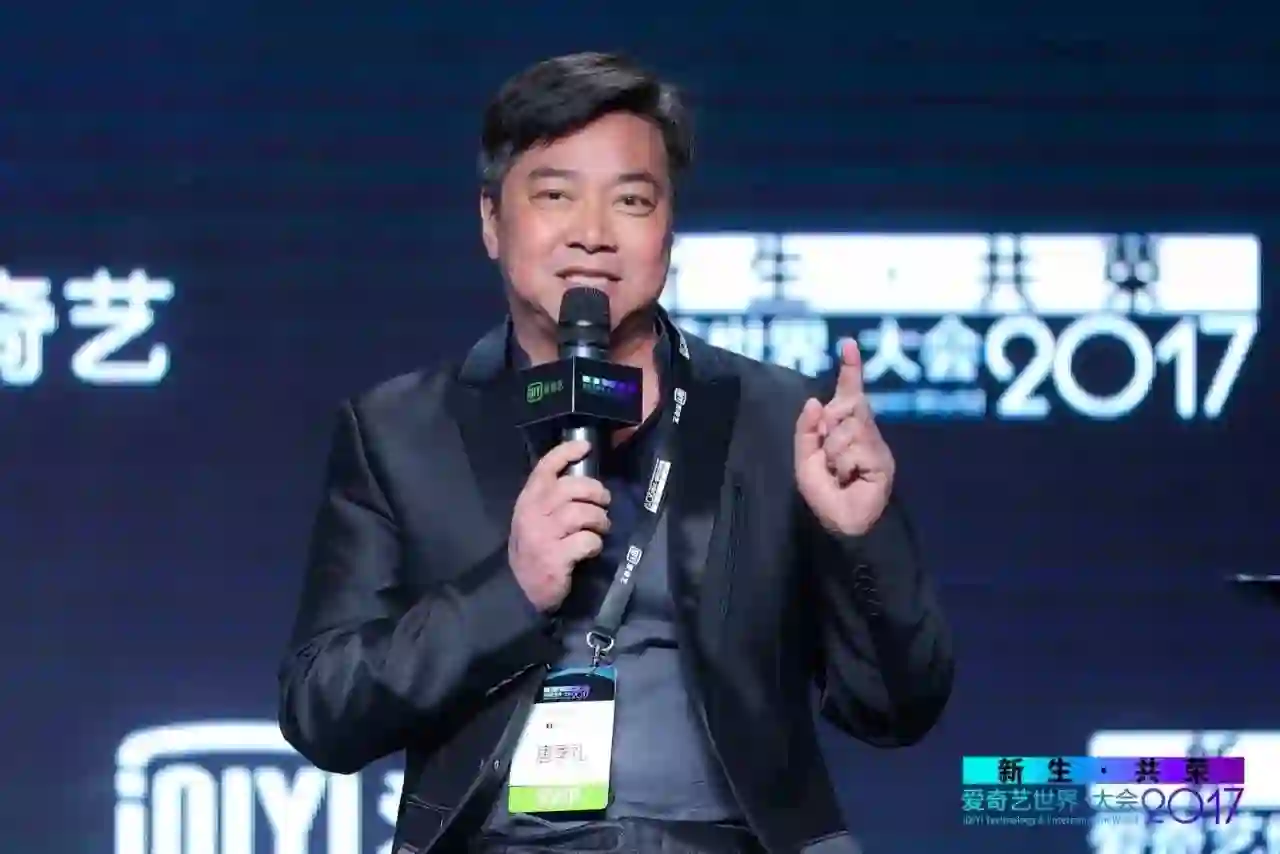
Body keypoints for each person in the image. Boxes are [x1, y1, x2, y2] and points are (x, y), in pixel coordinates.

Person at [278, 52, 954, 854]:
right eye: (555, 195)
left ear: (669, 228)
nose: (593, 234)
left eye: (631, 200)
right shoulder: (400, 431)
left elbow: (896, 711)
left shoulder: (782, 421)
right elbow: (324, 708)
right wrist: (509, 590)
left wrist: (859, 539)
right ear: (491, 220)